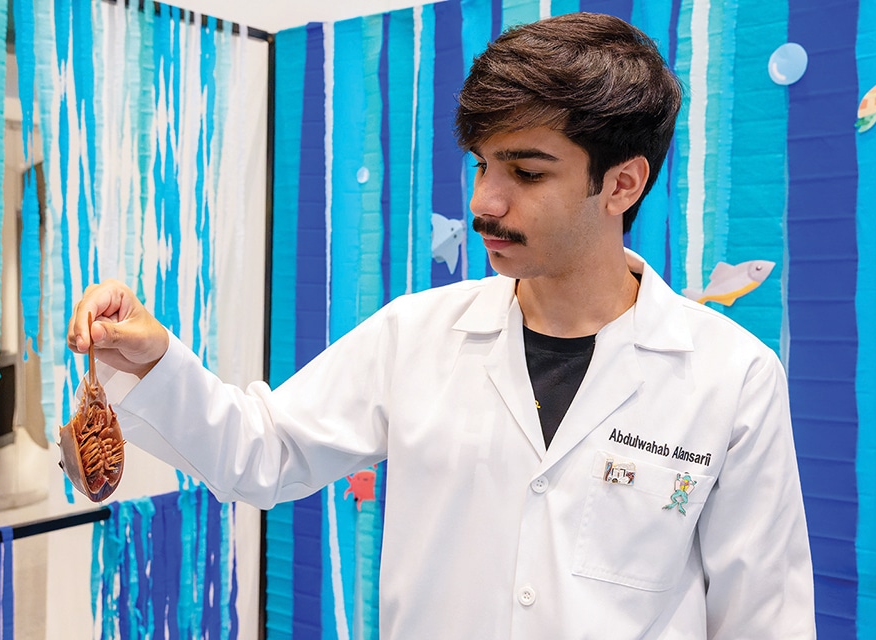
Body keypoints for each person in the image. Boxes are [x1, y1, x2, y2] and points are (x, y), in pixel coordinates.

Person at [68, 12, 815, 639]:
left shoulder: (729, 376)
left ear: (621, 183)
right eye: (481, 165)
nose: (486, 201)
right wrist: (156, 357)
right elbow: (263, 453)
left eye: (525, 173)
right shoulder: (417, 335)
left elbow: (765, 617)